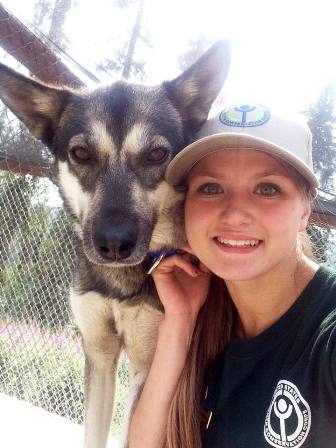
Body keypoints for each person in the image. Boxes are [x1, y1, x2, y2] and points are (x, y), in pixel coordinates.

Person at [128, 103, 336, 448]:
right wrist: (180, 322)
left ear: (305, 208)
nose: (235, 213)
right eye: (211, 188)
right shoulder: (206, 322)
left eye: (267, 188)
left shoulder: (325, 336)